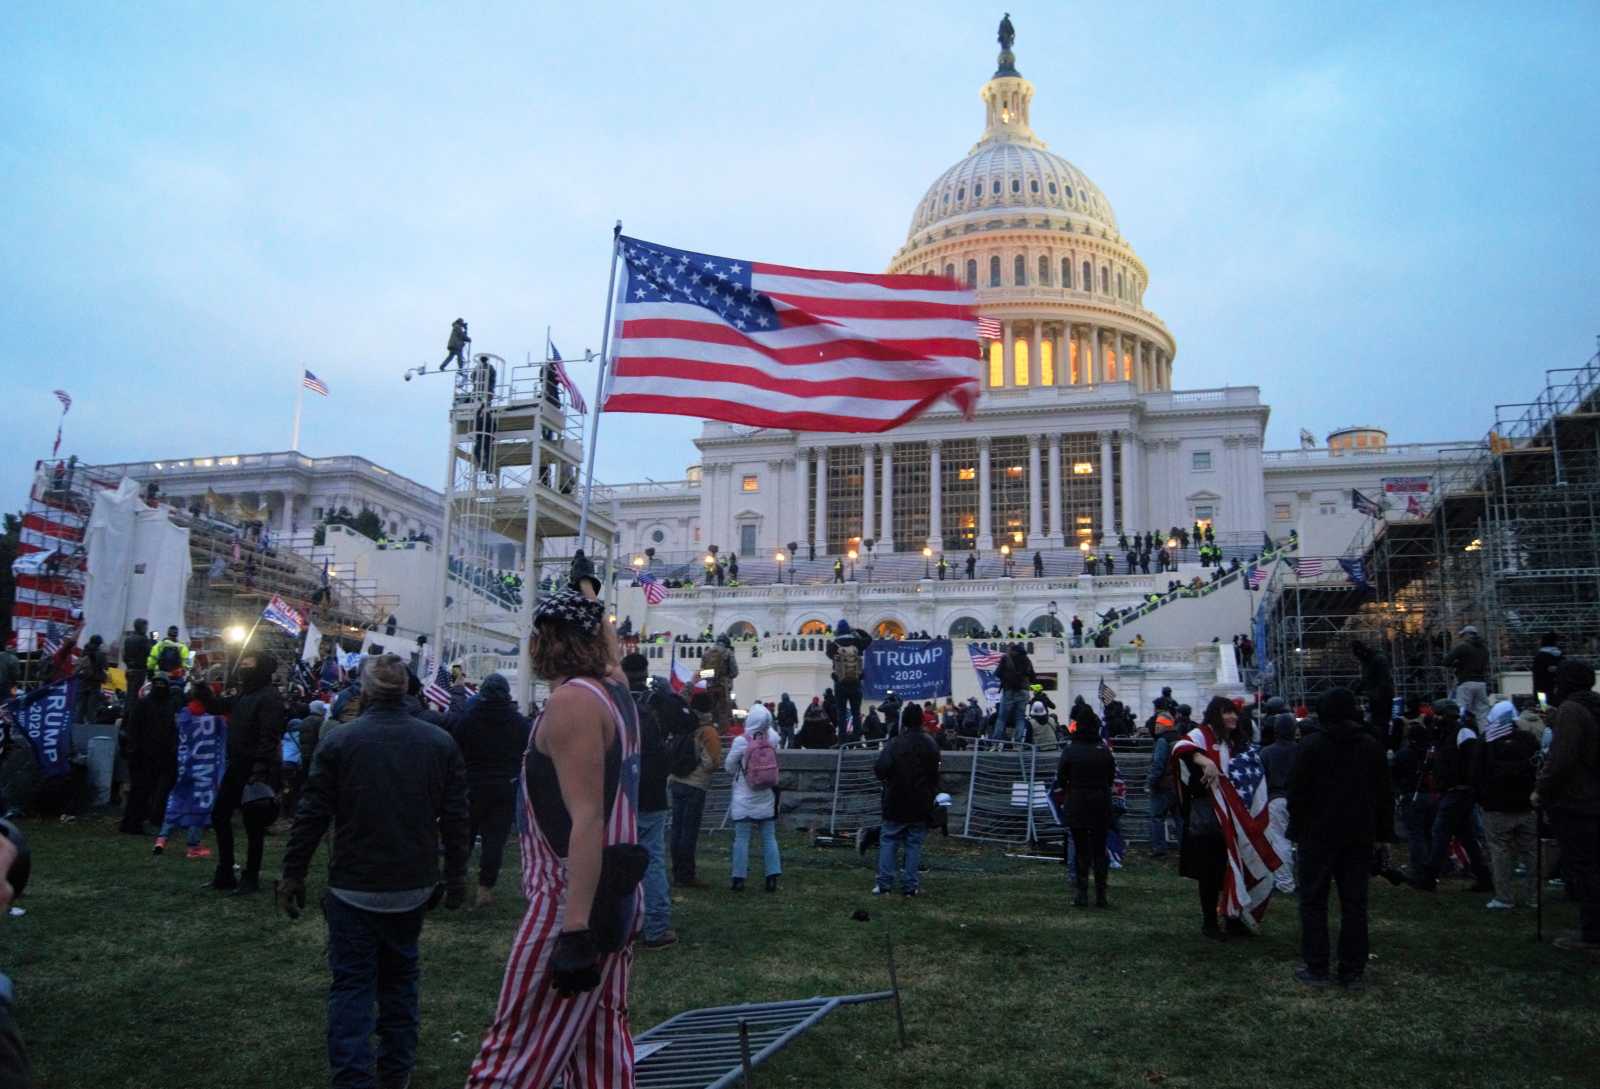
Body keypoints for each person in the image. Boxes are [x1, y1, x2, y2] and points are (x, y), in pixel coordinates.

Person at [464, 592, 644, 1088]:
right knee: (599, 1049)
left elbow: (586, 819)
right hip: (617, 889)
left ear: (545, 641)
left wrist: (575, 930)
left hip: (570, 897)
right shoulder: (615, 692)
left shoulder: (573, 702)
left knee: (512, 1058)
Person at [278, 654, 469, 1089]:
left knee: (353, 987)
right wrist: (455, 876)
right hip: (410, 885)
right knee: (400, 983)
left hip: (355, 885)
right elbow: (457, 818)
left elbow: (310, 815)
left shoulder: (342, 741)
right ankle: (394, 1075)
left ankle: (354, 1078)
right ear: (406, 691)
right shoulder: (437, 743)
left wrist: (293, 874)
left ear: (364, 691)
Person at [1286, 687, 1393, 989]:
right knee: (1355, 903)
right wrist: (1382, 835)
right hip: (1358, 835)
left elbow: (1296, 792)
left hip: (1317, 835)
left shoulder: (1310, 746)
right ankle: (1351, 970)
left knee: (1313, 901)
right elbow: (1384, 795)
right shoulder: (1371, 747)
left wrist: (1299, 826)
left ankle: (1317, 966)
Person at [1172, 696, 1270, 939]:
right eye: (1227, 712)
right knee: (1210, 873)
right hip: (1210, 820)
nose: (1233, 717)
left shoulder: (1238, 741)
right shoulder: (1200, 736)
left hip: (1237, 819)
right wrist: (1204, 760)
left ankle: (1233, 916)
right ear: (1216, 714)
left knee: (1234, 867)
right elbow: (1180, 749)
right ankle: (1210, 921)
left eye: (1235, 713)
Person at [1533, 658, 1600, 952]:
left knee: (1585, 869)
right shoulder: (1591, 706)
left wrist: (1540, 789)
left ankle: (1592, 933)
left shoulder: (1572, 711)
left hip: (1578, 800)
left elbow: (1560, 760)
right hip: (1594, 797)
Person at [449, 673, 529, 909]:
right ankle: (485, 888)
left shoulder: (467, 720)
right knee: (495, 840)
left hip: (471, 785)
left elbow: (455, 751)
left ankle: (457, 884)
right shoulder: (518, 723)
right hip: (504, 786)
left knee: (463, 837)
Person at [206, 652, 282, 895]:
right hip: (237, 765)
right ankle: (225, 871)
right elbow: (219, 706)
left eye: (249, 665)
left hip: (256, 769)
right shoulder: (245, 694)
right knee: (219, 815)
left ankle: (250, 877)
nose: (244, 668)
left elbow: (269, 735)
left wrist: (260, 768)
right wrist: (202, 690)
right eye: (244, 664)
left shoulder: (269, 697)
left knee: (254, 826)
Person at [622, 653, 676, 948]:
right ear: (645, 672)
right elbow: (686, 722)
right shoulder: (658, 702)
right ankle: (656, 926)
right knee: (652, 859)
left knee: (618, 858)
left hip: (621, 792)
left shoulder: (614, 701)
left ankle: (623, 923)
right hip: (653, 792)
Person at [1412, 698, 1493, 893]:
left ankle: (1429, 877)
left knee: (1440, 832)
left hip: (1459, 791)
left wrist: (1469, 786)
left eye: (1438, 715)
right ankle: (1484, 877)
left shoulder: (1462, 732)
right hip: (1452, 791)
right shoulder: (1444, 735)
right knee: (1466, 837)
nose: (1436, 719)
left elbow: (1472, 762)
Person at [1475, 699, 1540, 910]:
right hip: (1527, 803)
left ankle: (1504, 897)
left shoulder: (1488, 741)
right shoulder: (1529, 739)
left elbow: (1477, 772)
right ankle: (1534, 896)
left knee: (1500, 852)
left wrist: (1482, 799)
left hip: (1496, 806)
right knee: (1530, 852)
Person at [873, 703, 941, 896]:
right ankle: (910, 886)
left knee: (889, 840)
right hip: (921, 801)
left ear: (904, 722)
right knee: (914, 844)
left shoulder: (895, 743)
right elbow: (936, 770)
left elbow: (880, 768)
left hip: (895, 799)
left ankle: (884, 884)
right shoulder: (931, 743)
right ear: (921, 720)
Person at [1056, 715, 1116, 907]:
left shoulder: (1070, 750)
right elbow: (1111, 777)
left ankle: (1081, 894)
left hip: (1077, 801)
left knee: (1081, 850)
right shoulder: (1104, 750)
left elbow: (1060, 777)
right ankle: (1101, 895)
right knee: (1100, 850)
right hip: (1100, 801)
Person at [725, 704, 782, 892]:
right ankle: (772, 876)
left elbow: (729, 766)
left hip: (744, 794)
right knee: (769, 837)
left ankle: (739, 878)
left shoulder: (742, 741)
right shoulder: (772, 738)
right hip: (766, 794)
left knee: (741, 838)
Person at [668, 692, 722, 887]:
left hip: (676, 780)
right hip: (695, 784)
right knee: (689, 831)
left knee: (676, 828)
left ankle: (676, 871)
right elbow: (712, 762)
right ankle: (686, 875)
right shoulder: (707, 731)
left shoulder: (682, 724)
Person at [120, 672, 178, 835]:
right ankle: (133, 823)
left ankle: (136, 822)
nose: (160, 687)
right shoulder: (150, 704)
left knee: (144, 792)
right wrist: (134, 750)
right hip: (144, 755)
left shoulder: (161, 704)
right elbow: (134, 729)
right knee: (140, 791)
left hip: (156, 755)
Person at [1259, 711, 1300, 894]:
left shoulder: (1267, 752)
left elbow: (1262, 780)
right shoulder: (1303, 750)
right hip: (1301, 798)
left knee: (1281, 841)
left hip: (1277, 799)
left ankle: (1285, 882)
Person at [828, 620, 872, 735]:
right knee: (856, 713)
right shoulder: (857, 642)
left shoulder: (834, 645)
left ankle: (842, 740)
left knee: (841, 713)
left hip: (840, 682)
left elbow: (828, 654)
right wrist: (856, 630)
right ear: (849, 630)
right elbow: (869, 639)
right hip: (856, 682)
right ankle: (856, 740)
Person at [1146, 711, 1179, 859]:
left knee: (1157, 817)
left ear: (1165, 726)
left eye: (1159, 724)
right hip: (1177, 785)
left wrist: (1150, 783)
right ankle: (1186, 848)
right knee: (1179, 818)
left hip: (1162, 785)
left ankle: (1159, 849)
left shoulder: (1162, 741)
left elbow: (1158, 764)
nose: (1156, 727)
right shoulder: (1179, 738)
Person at [1444, 625, 1491, 725]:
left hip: (1466, 682)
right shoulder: (1484, 649)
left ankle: (1462, 733)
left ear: (1467, 635)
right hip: (1481, 683)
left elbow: (1446, 661)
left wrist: (1457, 664)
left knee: (1461, 709)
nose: (1462, 638)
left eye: (1463, 635)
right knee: (1482, 713)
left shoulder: (1463, 647)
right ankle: (1484, 736)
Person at [1350, 640, 1394, 738]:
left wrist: (1376, 694)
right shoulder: (1366, 661)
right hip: (1375, 695)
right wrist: (1357, 690)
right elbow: (1365, 678)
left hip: (1382, 696)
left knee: (1381, 721)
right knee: (1376, 721)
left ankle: (1382, 740)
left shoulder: (1378, 659)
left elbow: (1384, 680)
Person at [992, 644, 1034, 742]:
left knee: (1002, 718)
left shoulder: (1006, 658)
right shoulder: (1027, 660)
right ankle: (1018, 742)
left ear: (1012, 650)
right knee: (1020, 717)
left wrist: (1006, 679)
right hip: (1023, 691)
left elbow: (998, 673)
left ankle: (996, 740)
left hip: (1009, 690)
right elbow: (1033, 676)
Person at [699, 635, 738, 732]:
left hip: (709, 687)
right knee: (724, 711)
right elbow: (734, 672)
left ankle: (711, 731)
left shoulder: (706, 653)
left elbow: (702, 673)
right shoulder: (728, 652)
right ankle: (723, 734)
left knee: (710, 710)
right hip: (723, 687)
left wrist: (712, 677)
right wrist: (724, 675)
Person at [121, 618, 153, 703]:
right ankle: (132, 714)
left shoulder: (128, 639)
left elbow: (124, 655)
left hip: (129, 670)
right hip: (139, 671)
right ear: (141, 627)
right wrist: (152, 642)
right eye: (145, 626)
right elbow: (149, 653)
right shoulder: (143, 639)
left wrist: (129, 663)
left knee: (129, 693)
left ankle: (126, 713)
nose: (146, 628)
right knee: (137, 696)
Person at [1532, 634, 1563, 707]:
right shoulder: (1560, 655)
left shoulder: (1540, 656)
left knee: (1543, 708)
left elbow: (1537, 676)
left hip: (1541, 689)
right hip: (1556, 688)